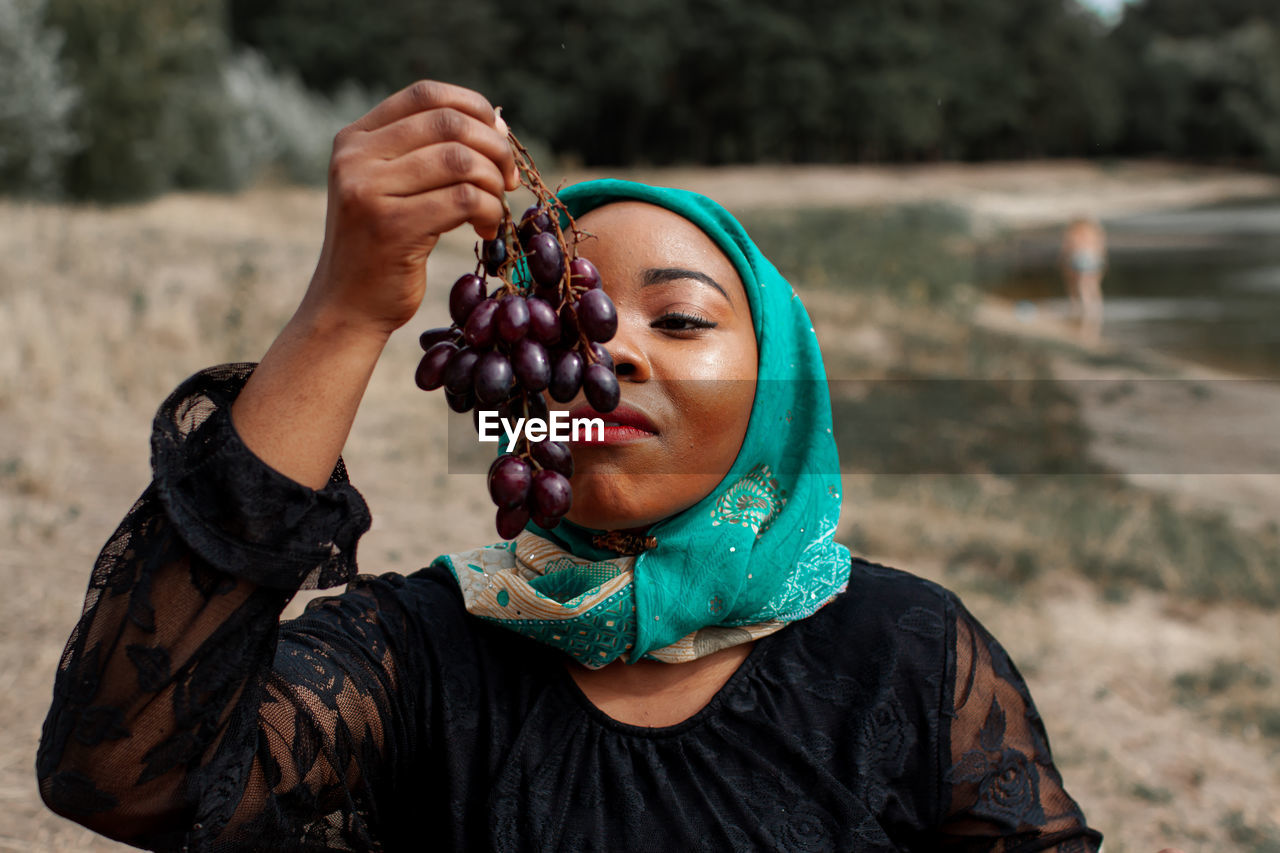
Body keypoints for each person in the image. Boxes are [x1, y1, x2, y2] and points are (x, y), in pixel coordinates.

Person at [36, 81, 1183, 852]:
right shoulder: (418, 653)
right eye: (555, 326)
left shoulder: (908, 654)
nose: (608, 349)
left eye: (678, 321)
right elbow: (125, 771)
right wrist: (342, 313)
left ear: (779, 390)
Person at [1060, 217, 1107, 345]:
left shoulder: (1075, 232)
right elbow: (1100, 249)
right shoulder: (1094, 233)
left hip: (1082, 259)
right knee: (1090, 287)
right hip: (1089, 259)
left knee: (1080, 287)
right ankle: (1091, 315)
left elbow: (1067, 249)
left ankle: (1083, 314)